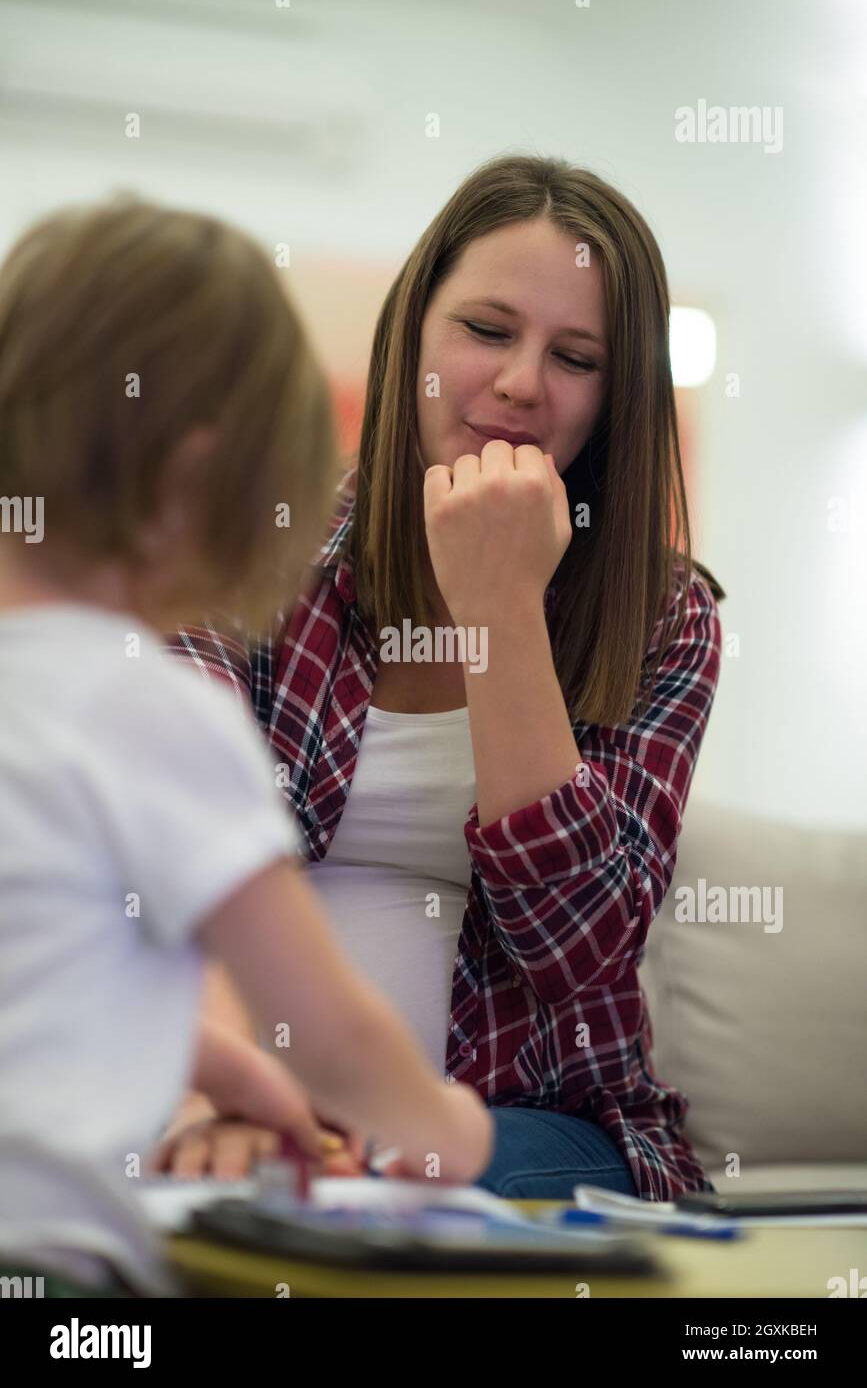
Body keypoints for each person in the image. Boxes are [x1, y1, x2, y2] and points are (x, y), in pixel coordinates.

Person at [164, 153, 726, 1202]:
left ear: (616, 396)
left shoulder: (667, 617)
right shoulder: (246, 548)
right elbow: (177, 851)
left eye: (575, 356)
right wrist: (240, 1095)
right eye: (486, 330)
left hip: (528, 1122)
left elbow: (580, 950)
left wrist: (503, 609)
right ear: (414, 331)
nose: (521, 382)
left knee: (371, 1189)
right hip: (249, 1082)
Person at [0, 196, 493, 1296]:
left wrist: (235, 1076)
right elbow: (325, 1031)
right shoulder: (149, 706)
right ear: (193, 483)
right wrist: (445, 1129)